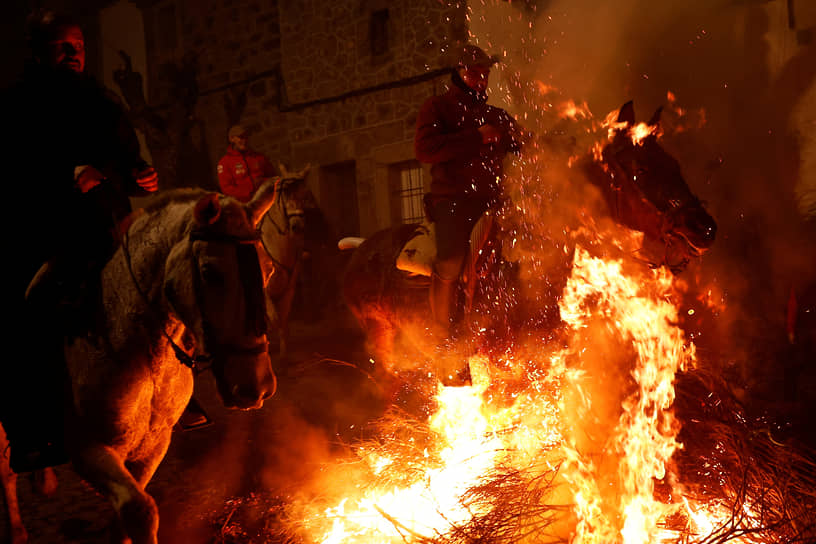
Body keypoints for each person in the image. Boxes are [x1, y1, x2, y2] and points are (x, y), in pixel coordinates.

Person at [0, 9, 158, 473]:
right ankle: (33, 430)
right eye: (62, 46)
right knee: (30, 315)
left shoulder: (102, 100)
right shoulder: (15, 104)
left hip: (107, 227)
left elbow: (126, 157)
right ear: (39, 51)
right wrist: (65, 176)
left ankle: (171, 399)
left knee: (153, 297)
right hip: (41, 231)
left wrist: (138, 175)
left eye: (80, 46)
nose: (74, 54)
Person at [414, 44, 526, 340]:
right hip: (452, 200)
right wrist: (475, 137)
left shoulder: (497, 115)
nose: (481, 79)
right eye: (475, 72)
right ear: (459, 72)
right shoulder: (437, 108)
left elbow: (527, 146)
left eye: (485, 73)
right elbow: (425, 150)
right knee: (450, 260)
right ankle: (442, 336)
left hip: (492, 201)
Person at [217, 124, 278, 201]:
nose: (244, 140)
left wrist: (263, 184)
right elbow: (227, 188)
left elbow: (273, 177)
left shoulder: (259, 157)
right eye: (241, 137)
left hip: (266, 200)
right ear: (231, 139)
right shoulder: (225, 163)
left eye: (246, 137)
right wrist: (248, 194)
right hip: (244, 205)